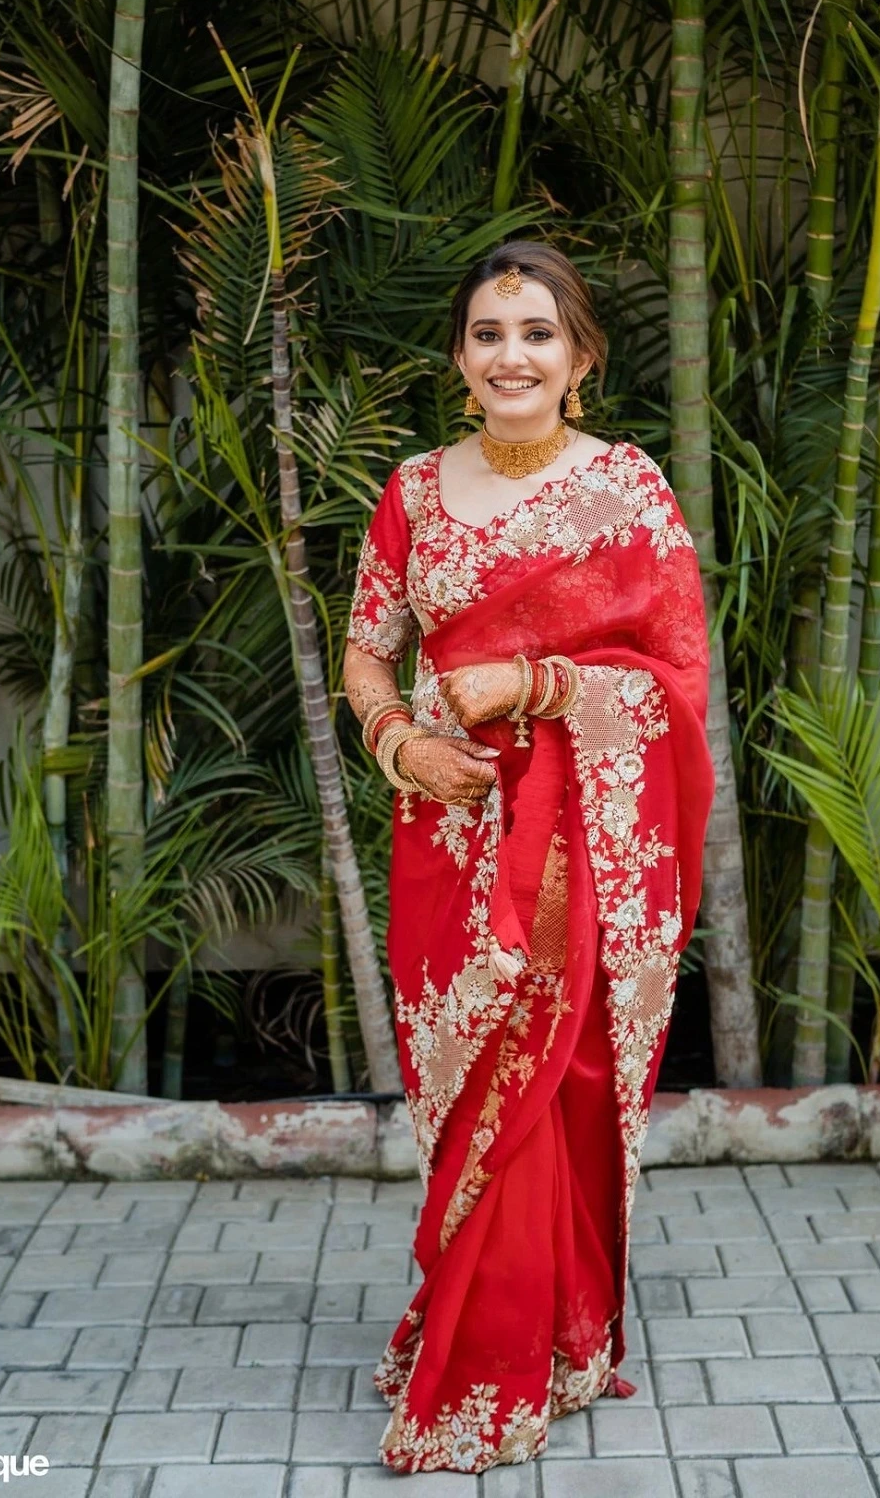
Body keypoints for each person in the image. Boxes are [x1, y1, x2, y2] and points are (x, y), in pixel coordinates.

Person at [342, 241, 714, 1474]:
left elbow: (677, 689)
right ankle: (513, 1325)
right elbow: (365, 652)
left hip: (574, 850)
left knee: (549, 1081)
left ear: (581, 359)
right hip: (443, 831)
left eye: (538, 332)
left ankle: (493, 1367)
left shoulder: (628, 492)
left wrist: (542, 682)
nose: (513, 355)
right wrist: (400, 746)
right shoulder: (412, 491)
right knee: (459, 1092)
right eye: (490, 332)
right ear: (459, 357)